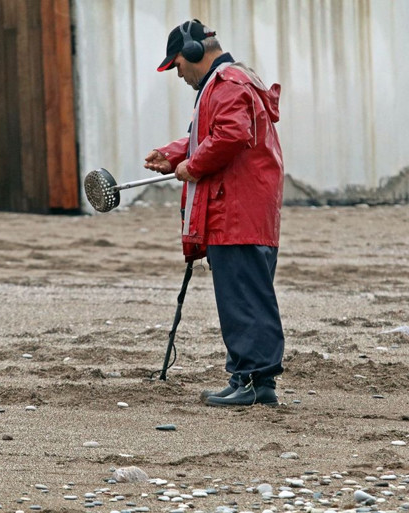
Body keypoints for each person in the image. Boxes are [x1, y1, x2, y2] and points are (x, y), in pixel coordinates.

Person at [143, 19, 285, 407]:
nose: (178, 73)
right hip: (241, 209)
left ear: (192, 53)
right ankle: (245, 377)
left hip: (237, 210)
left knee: (244, 296)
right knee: (239, 296)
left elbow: (229, 136)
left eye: (177, 64)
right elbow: (208, 134)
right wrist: (174, 155)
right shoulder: (232, 81)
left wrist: (194, 165)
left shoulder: (226, 85)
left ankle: (257, 382)